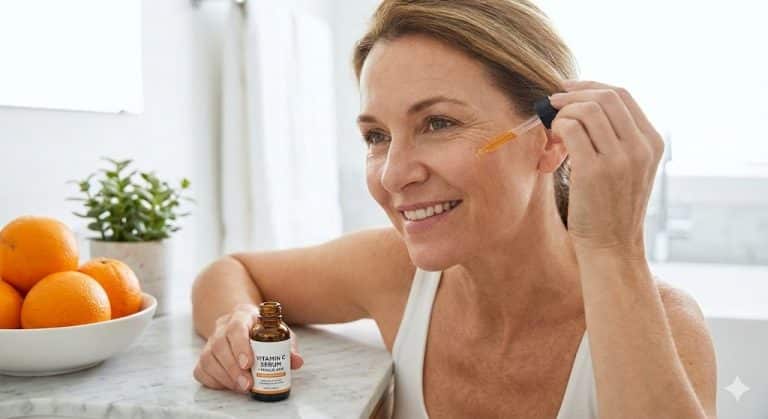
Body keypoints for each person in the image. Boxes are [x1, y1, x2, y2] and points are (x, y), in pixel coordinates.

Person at [192, 1, 717, 417]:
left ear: (550, 142)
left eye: (438, 123)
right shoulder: (392, 271)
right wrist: (239, 323)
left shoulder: (664, 326)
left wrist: (612, 246)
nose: (394, 174)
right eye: (376, 136)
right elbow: (230, 271)